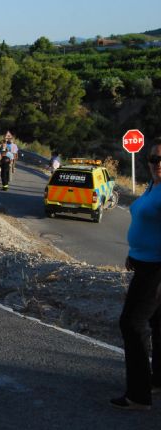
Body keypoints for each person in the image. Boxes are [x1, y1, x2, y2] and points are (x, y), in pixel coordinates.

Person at [110, 140, 161, 411]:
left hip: (156, 269)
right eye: (154, 160)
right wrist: (135, 252)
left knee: (131, 323)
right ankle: (157, 380)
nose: (158, 165)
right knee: (157, 324)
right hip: (144, 262)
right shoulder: (154, 186)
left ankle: (139, 395)